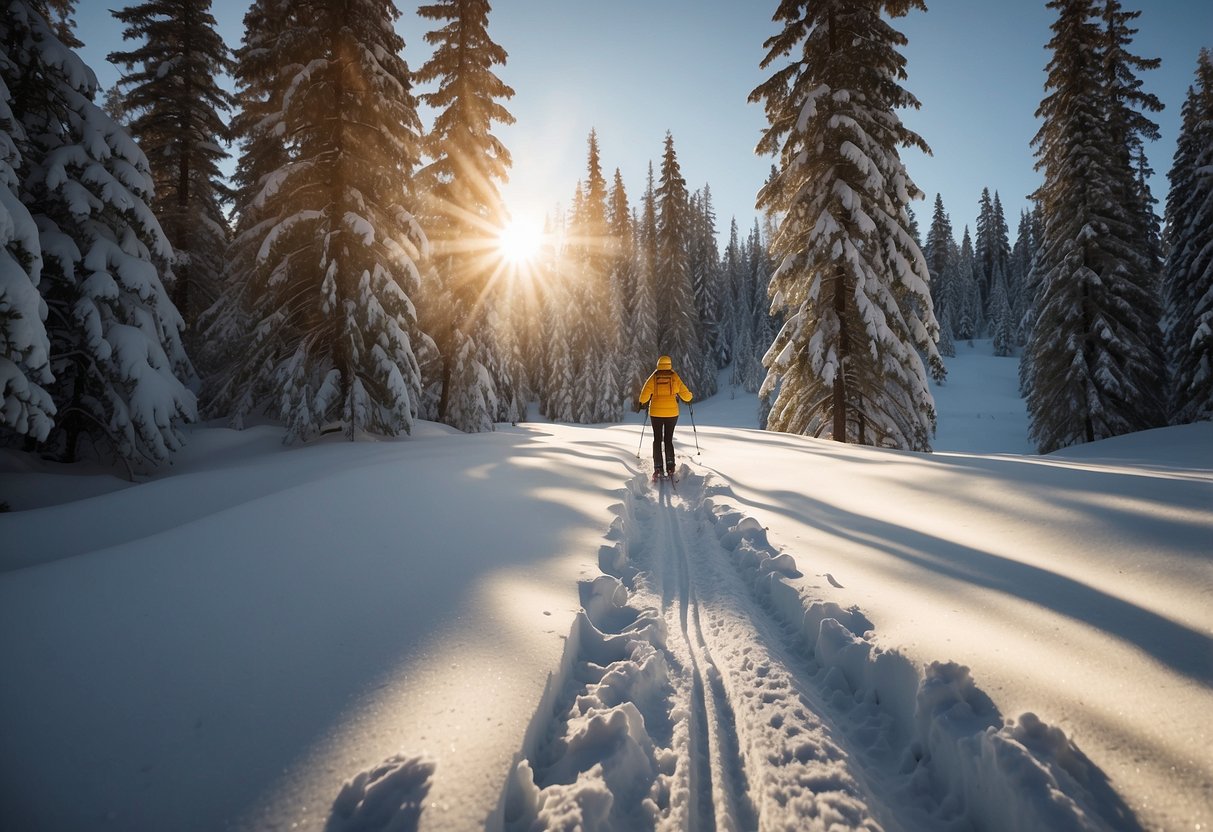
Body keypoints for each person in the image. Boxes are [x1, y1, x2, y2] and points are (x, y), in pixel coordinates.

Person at [638, 355, 693, 479]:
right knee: (668, 439)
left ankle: (658, 467)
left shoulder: (654, 376)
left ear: (658, 364)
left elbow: (644, 395)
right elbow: (685, 394)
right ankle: (670, 465)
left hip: (656, 414)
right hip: (671, 414)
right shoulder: (674, 377)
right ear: (669, 365)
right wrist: (690, 397)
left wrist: (641, 403)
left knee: (657, 439)